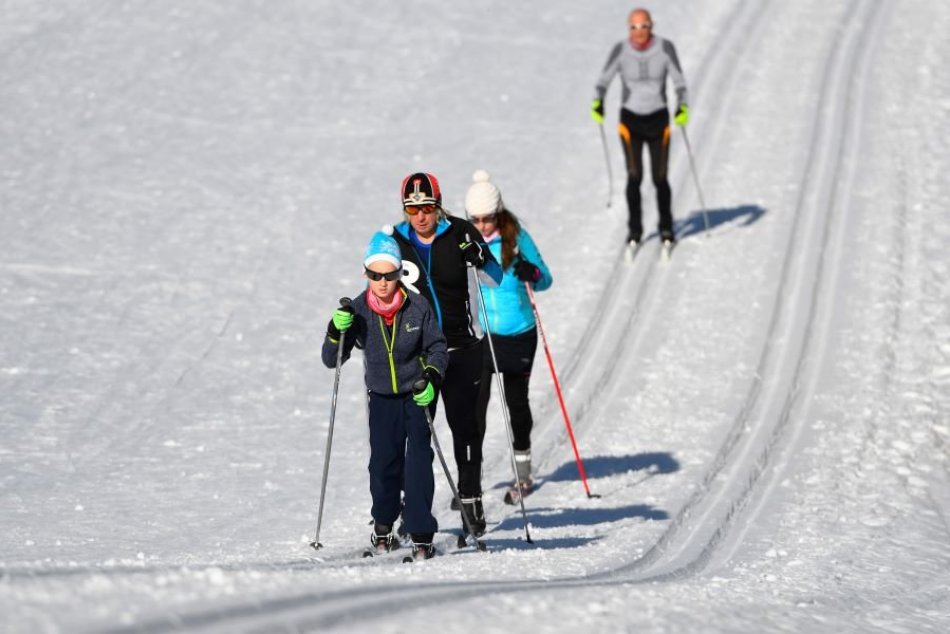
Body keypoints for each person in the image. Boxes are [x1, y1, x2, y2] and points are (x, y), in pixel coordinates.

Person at [321, 227, 448, 561]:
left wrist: (432, 379)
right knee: (383, 463)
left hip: (417, 394)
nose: (382, 282)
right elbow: (330, 358)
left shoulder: (417, 307)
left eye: (389, 274)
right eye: (375, 275)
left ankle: (421, 534)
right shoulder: (359, 310)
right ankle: (383, 526)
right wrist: (337, 330)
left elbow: (437, 348)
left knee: (418, 461)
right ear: (366, 274)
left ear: (398, 273)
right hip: (381, 397)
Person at [391, 172, 503, 538]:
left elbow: (494, 277)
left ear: (438, 206)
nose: (420, 217)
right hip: (419, 353)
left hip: (463, 347)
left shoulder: (460, 232)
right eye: (413, 209)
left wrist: (480, 256)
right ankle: (414, 511)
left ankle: (471, 499)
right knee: (417, 434)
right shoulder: (395, 241)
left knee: (465, 429)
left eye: (426, 208)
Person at [464, 170, 553, 504]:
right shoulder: (465, 241)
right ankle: (470, 482)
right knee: (475, 411)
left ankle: (523, 474)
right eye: (476, 219)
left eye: (488, 218)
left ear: (498, 213)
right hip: (482, 336)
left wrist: (531, 273)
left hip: (518, 334)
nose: (483, 225)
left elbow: (545, 279)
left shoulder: (517, 238)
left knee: (517, 404)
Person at [591, 7, 689, 248]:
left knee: (660, 177)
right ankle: (635, 230)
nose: (639, 31)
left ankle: (666, 227)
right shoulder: (621, 50)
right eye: (634, 27)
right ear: (629, 29)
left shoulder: (665, 48)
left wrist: (682, 106)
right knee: (634, 176)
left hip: (658, 120)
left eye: (644, 25)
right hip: (631, 121)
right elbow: (603, 80)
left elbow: (679, 82)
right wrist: (598, 101)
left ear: (651, 26)